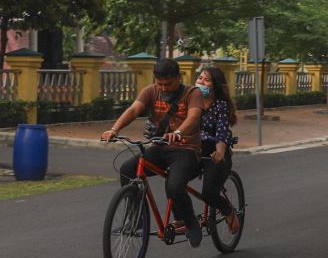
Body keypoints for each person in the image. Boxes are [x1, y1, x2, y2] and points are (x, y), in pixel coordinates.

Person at [100, 59, 205, 247]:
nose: (163, 88)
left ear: (179, 78)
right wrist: (114, 129)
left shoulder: (192, 93)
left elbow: (194, 117)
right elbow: (134, 110)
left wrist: (178, 132)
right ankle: (137, 217)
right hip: (160, 146)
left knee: (174, 186)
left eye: (168, 84)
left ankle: (190, 222)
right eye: (160, 83)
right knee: (127, 169)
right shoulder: (150, 91)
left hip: (186, 149)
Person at [195, 66, 240, 234]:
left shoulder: (221, 106)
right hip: (194, 150)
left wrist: (220, 151)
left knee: (208, 193)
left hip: (215, 152)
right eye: (200, 78)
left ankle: (228, 210)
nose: (201, 82)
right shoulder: (191, 101)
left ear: (215, 86)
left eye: (207, 80)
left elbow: (221, 132)